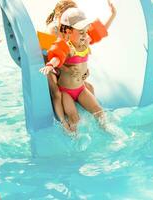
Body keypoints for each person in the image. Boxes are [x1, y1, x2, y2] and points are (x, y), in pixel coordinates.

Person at [40, 5, 116, 133]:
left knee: (99, 111)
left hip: (80, 89)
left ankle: (108, 131)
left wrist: (112, 15)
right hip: (66, 91)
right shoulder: (67, 47)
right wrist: (50, 65)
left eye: (86, 31)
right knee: (74, 118)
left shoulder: (85, 40)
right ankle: (73, 138)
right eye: (81, 32)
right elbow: (57, 57)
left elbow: (100, 31)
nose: (85, 35)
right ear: (68, 32)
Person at [44, 0, 94, 132]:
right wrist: (66, 69)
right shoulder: (53, 30)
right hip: (50, 64)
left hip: (64, 63)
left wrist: (83, 70)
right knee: (57, 93)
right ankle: (62, 121)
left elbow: (75, 55)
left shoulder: (74, 31)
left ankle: (83, 106)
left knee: (88, 86)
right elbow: (54, 56)